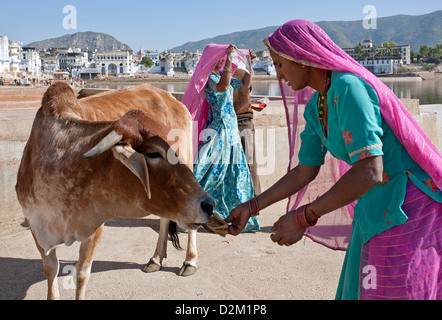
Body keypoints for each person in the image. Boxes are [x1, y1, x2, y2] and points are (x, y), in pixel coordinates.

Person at [226, 20, 442, 300]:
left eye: (280, 64)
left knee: (397, 289)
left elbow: (369, 171)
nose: (278, 75)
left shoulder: (348, 88)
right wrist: (251, 206)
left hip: (407, 206)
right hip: (374, 205)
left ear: (302, 58)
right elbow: (304, 171)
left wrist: (304, 217)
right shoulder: (319, 104)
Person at [182, 44, 260, 232]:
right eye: (220, 57)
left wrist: (249, 64)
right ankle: (187, 208)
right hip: (219, 130)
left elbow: (242, 85)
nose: (222, 60)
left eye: (223, 58)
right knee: (206, 169)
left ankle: (229, 212)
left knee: (233, 172)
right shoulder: (208, 78)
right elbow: (223, 87)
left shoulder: (219, 74)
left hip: (231, 128)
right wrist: (230, 60)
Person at [232, 50, 262, 196]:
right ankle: (255, 200)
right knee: (250, 164)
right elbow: (247, 88)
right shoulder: (243, 73)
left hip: (230, 125)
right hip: (245, 122)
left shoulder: (220, 76)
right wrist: (250, 64)